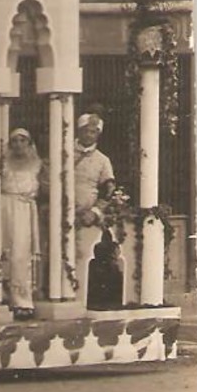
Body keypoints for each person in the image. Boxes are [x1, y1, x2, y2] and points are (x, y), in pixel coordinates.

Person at [74, 112, 118, 309]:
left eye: (94, 132)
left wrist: (95, 212)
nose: (89, 135)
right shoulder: (63, 153)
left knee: (83, 256)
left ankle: (83, 300)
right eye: (86, 131)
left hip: (87, 217)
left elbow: (109, 190)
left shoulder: (102, 160)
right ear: (79, 131)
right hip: (60, 213)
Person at [1, 127, 45, 319]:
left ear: (29, 143)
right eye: (15, 142)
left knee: (21, 253)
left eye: (22, 141)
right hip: (5, 208)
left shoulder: (37, 165)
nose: (19, 145)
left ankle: (23, 301)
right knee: (3, 251)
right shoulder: (3, 165)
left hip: (24, 210)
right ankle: (2, 294)